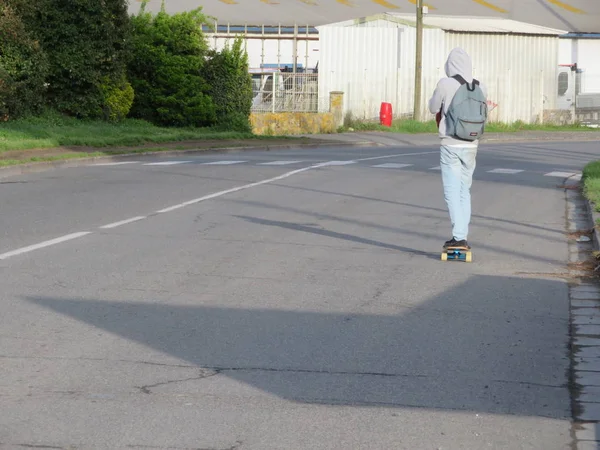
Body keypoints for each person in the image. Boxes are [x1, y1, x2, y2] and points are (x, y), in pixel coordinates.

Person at [428, 47, 488, 250]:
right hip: (472, 144)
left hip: (450, 144)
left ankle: (459, 237)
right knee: (464, 191)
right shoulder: (480, 86)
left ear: (450, 65)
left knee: (451, 192)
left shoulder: (445, 83)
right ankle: (462, 235)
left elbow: (433, 108)